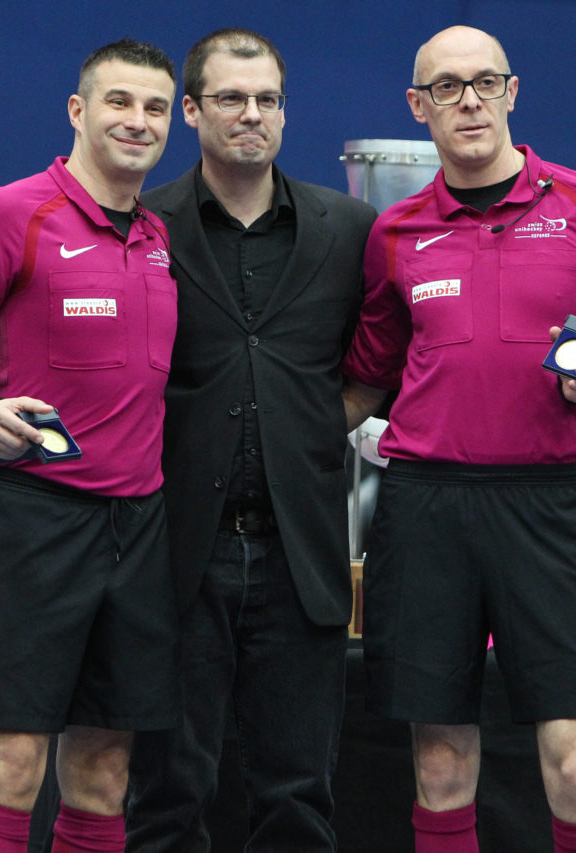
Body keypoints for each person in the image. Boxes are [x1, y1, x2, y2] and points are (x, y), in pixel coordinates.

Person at [341, 27, 576, 853]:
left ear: (513, 91)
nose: (469, 100)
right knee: (441, 763)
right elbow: (366, 378)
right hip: (424, 510)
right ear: (419, 107)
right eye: (446, 87)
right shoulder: (395, 234)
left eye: (485, 82)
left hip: (548, 509)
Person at [0, 39, 179, 852]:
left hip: (139, 528)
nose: (138, 120)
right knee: (15, 765)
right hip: (31, 521)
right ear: (78, 111)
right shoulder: (12, 213)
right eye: (119, 102)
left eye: (155, 107)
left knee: (103, 773)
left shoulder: (160, 236)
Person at [124, 29, 375, 852]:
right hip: (172, 554)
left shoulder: (348, 228)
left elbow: (377, 368)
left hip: (300, 552)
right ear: (191, 110)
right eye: (231, 98)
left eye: (268, 99)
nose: (253, 115)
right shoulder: (139, 226)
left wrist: (306, 431)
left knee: (300, 798)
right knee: (168, 795)